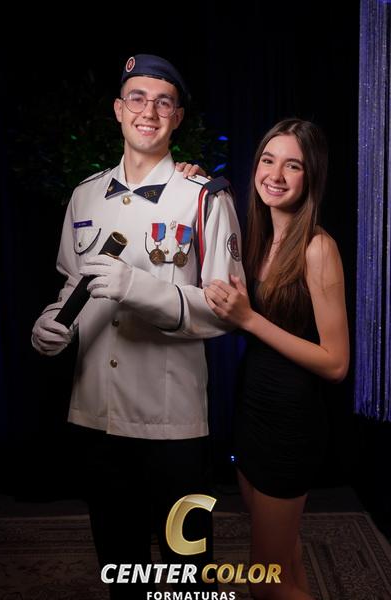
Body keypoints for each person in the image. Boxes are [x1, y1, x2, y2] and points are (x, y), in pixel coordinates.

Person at [31, 53, 244, 599]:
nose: (149, 111)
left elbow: (227, 312)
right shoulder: (84, 195)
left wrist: (138, 288)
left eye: (163, 102)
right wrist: (54, 323)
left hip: (172, 421)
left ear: (177, 118)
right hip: (95, 414)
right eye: (138, 99)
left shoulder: (204, 198)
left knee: (187, 576)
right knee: (120, 568)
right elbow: (74, 285)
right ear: (118, 110)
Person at [205, 118, 349, 600]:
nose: (276, 175)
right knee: (285, 560)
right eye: (268, 160)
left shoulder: (318, 248)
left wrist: (249, 319)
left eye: (293, 165)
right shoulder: (260, 237)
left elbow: (336, 363)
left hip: (290, 423)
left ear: (312, 177)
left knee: (266, 583)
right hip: (253, 410)